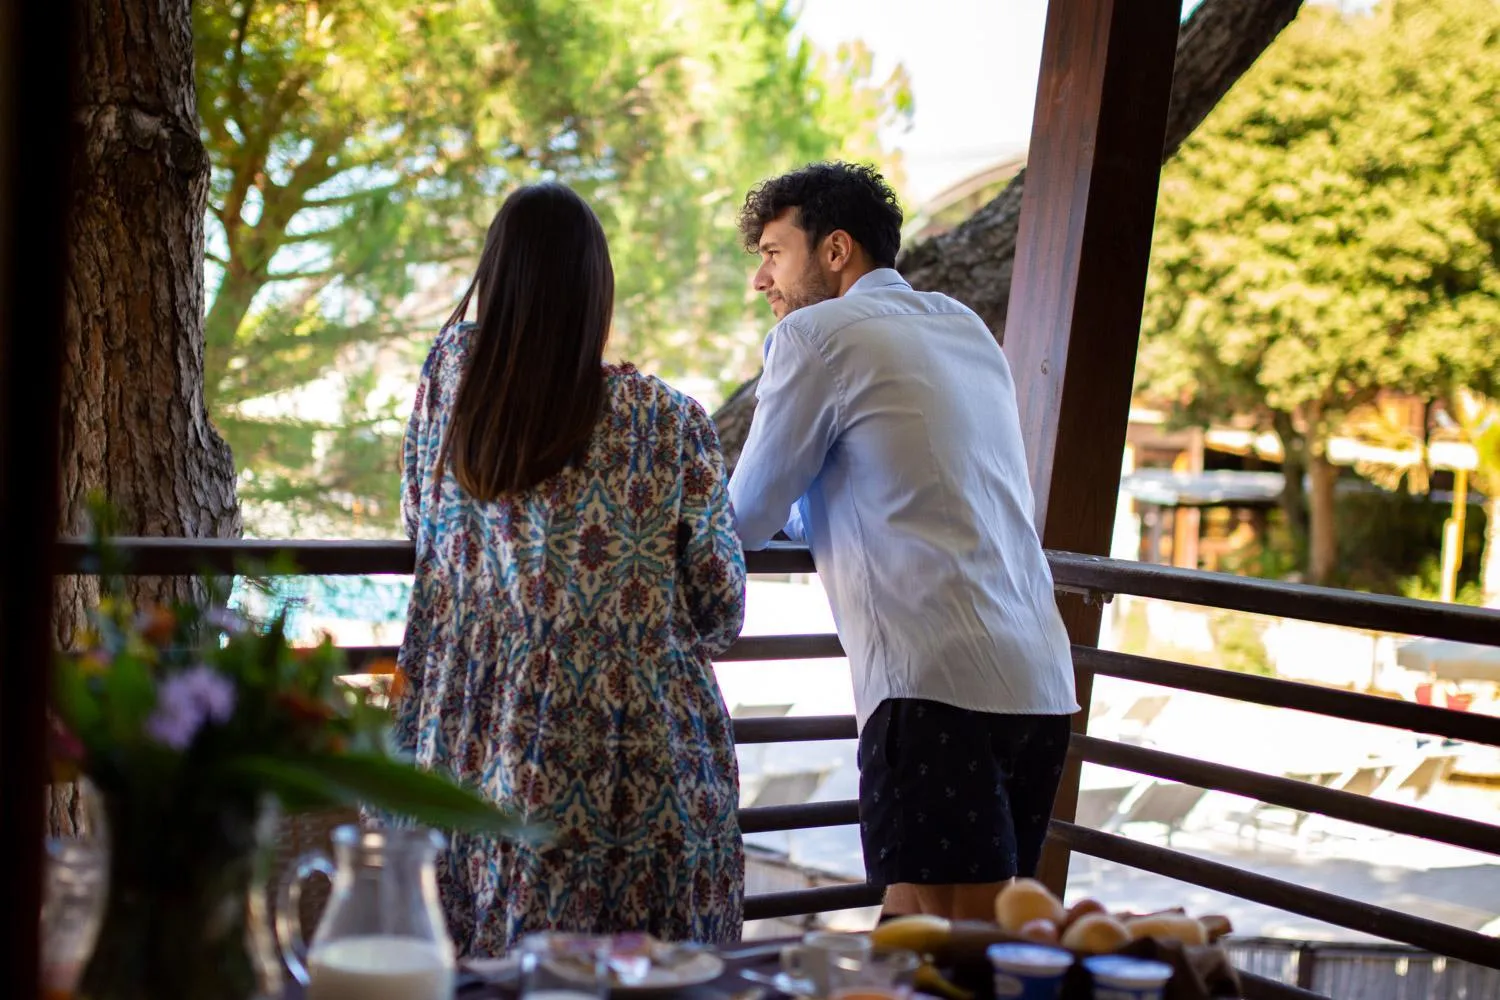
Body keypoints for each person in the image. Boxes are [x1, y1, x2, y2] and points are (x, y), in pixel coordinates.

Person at [395, 182, 747, 954]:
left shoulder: (449, 381)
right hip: (635, 765)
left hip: (469, 744)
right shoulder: (669, 420)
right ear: (598, 291)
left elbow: (420, 527)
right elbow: (720, 607)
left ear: (495, 278)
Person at [727, 162, 1079, 921]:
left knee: (959, 945)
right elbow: (907, 475)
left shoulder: (814, 335)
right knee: (925, 927)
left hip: (933, 684)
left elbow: (746, 515)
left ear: (836, 250)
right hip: (1039, 680)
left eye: (774, 252)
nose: (762, 278)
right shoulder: (962, 324)